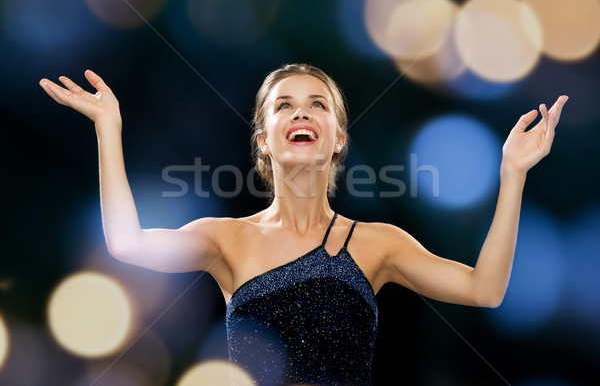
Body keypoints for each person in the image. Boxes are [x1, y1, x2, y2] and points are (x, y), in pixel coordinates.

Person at [39, 64, 567, 386]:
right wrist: (109, 129)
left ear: (338, 137)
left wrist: (512, 173)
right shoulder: (227, 238)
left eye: (317, 104)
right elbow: (126, 244)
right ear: (264, 138)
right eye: (284, 106)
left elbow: (486, 289)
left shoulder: (378, 244)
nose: (301, 114)